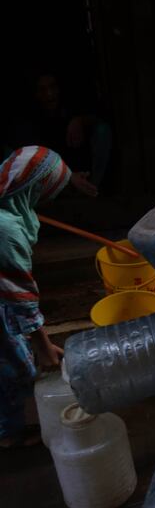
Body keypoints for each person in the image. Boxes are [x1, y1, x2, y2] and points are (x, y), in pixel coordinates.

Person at [0, 146, 97, 448]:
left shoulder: (9, 194)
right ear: (32, 187)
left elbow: (46, 165)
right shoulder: (5, 230)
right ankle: (9, 435)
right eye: (47, 191)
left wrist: (73, 179)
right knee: (15, 367)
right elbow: (19, 296)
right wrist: (42, 344)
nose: (48, 200)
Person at [13, 71, 112, 188]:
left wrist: (80, 120)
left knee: (102, 130)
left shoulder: (70, 106)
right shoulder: (31, 119)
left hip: (82, 171)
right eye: (43, 89)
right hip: (54, 179)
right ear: (36, 94)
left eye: (52, 87)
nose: (49, 94)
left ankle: (92, 188)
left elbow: (99, 120)